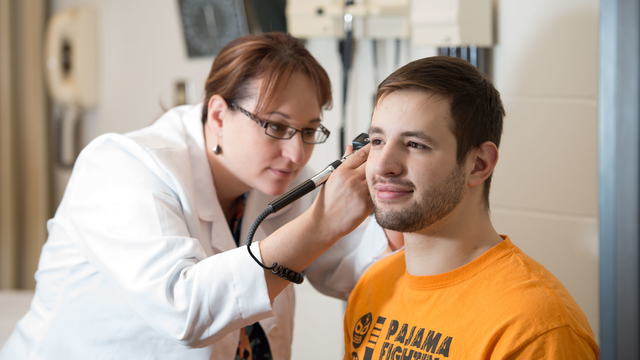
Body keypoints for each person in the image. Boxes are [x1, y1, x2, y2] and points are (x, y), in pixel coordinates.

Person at [0, 33, 397, 359]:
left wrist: (396, 199)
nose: (296, 154)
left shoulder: (286, 181)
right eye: (276, 127)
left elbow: (361, 266)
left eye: (310, 131)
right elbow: (185, 309)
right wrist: (321, 224)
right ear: (220, 115)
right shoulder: (123, 167)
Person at [343, 56, 599, 359]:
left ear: (478, 164)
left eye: (415, 144)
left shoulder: (535, 328)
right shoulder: (373, 284)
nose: (383, 166)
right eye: (376, 140)